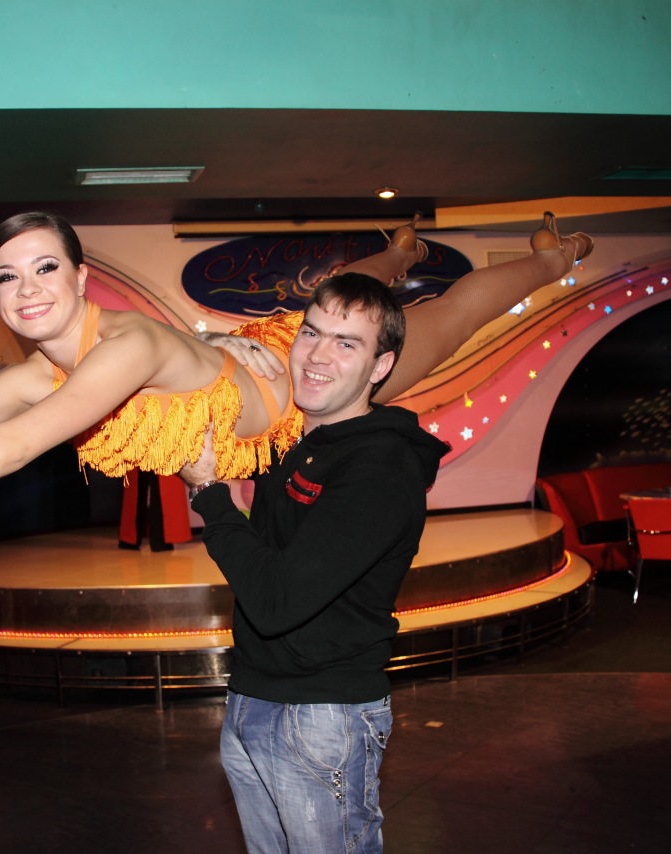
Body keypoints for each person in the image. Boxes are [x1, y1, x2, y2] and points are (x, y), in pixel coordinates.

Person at [0, 212, 592, 578]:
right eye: (6, 276)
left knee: (447, 316)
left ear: (80, 279)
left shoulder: (128, 346)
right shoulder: (43, 371)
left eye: (45, 268)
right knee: (346, 289)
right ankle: (396, 249)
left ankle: (553, 259)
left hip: (302, 384)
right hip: (251, 368)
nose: (27, 289)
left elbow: (15, 445)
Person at [177, 273, 439, 853]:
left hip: (324, 717)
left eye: (347, 343)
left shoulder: (380, 468)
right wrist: (217, 344)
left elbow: (277, 601)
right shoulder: (295, 441)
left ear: (380, 366)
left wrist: (210, 495)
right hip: (252, 698)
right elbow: (170, 391)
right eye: (311, 333)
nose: (318, 356)